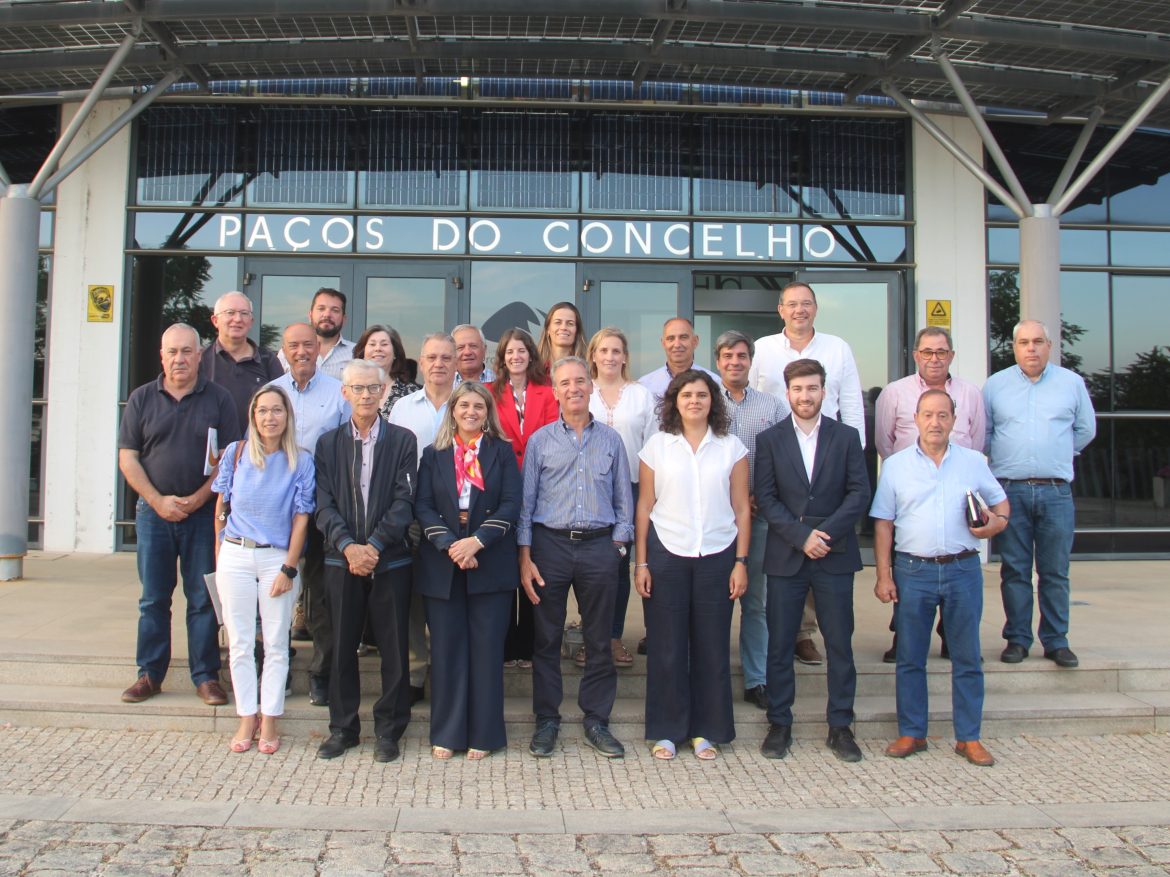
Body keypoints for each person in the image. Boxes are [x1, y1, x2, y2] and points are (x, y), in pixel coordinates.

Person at [871, 389, 1010, 767]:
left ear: (954, 420)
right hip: (913, 570)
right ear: (916, 419)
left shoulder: (973, 462)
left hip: (962, 569)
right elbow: (883, 523)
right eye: (928, 415)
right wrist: (883, 575)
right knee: (910, 656)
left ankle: (969, 737)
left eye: (943, 415)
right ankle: (912, 731)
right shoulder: (896, 466)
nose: (935, 422)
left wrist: (996, 524)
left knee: (967, 657)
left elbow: (1001, 503)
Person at [754, 359, 870, 762]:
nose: (805, 396)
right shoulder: (770, 440)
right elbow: (766, 497)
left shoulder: (846, 437)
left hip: (834, 556)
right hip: (786, 555)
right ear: (787, 392)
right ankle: (779, 723)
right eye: (798, 389)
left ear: (824, 391)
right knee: (780, 644)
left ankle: (841, 726)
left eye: (813, 388)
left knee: (839, 644)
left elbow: (859, 493)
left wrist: (825, 535)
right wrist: (801, 537)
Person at [518, 356, 634, 759]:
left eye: (580, 381)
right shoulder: (540, 441)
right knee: (546, 638)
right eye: (565, 383)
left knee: (599, 639)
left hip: (599, 548)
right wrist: (525, 556)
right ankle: (547, 719)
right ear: (555, 391)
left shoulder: (611, 441)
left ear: (591, 386)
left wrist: (617, 548)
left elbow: (624, 502)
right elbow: (526, 505)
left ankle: (597, 720)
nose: (574, 388)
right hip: (549, 547)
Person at [118, 323, 239, 706]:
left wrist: (200, 499)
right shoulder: (141, 399)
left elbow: (229, 460)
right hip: (153, 515)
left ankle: (206, 677)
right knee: (153, 598)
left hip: (202, 516)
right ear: (162, 355)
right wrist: (158, 501)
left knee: (202, 598)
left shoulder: (219, 399)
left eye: (187, 351)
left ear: (199, 355)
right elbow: (128, 458)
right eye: (172, 352)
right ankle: (149, 674)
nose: (180, 359)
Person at [635, 369, 750, 761]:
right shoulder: (657, 446)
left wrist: (741, 562)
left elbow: (742, 508)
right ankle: (666, 731)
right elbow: (644, 506)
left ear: (712, 400)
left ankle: (707, 731)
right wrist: (641, 562)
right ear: (675, 401)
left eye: (702, 395)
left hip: (718, 554)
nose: (694, 401)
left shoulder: (731, 447)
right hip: (667, 552)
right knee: (666, 648)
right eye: (687, 395)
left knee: (711, 647)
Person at [314, 359, 418, 763]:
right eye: (357, 388)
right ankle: (343, 728)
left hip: (390, 559)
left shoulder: (403, 440)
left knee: (393, 648)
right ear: (345, 393)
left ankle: (389, 730)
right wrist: (348, 547)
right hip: (342, 561)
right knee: (342, 646)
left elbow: (404, 502)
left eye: (373, 388)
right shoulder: (328, 444)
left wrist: (373, 546)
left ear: (383, 391)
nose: (365, 395)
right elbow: (323, 504)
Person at [415, 382, 522, 759]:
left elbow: (511, 504)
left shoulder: (502, 452)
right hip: (443, 560)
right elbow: (423, 505)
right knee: (446, 651)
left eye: (478, 406)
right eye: (464, 405)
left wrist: (476, 542)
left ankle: (485, 735)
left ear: (487, 412)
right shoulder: (433, 454)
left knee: (486, 652)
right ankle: (448, 733)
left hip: (489, 558)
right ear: (453, 411)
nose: (471, 412)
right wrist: (452, 545)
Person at [984, 319, 1096, 669]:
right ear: (1014, 347)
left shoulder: (1071, 383)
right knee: (1014, 570)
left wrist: (1057, 453)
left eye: (1037, 342)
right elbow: (985, 434)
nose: (1031, 348)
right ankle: (1017, 639)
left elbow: (1086, 429)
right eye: (1023, 342)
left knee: (1055, 571)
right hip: (1010, 492)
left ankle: (1056, 641)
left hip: (1055, 492)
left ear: (1049, 345)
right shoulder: (995, 385)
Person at [212, 385, 314, 755]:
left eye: (277, 410)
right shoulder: (236, 453)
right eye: (263, 410)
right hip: (236, 554)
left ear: (288, 416)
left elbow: (302, 518)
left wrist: (290, 567)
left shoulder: (301, 460)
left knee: (276, 643)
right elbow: (221, 507)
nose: (270, 417)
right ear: (253, 416)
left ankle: (270, 718)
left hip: (277, 558)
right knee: (239, 643)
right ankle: (246, 716)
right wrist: (220, 556)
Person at [874, 326, 987, 663]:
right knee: (910, 566)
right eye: (927, 352)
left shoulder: (970, 394)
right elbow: (884, 443)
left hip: (956, 493)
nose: (934, 359)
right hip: (910, 493)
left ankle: (953, 637)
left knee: (955, 564)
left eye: (941, 352)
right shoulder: (894, 393)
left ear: (951, 355)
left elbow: (978, 441)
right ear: (915, 355)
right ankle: (904, 637)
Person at [267, 323, 350, 705]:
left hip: (322, 508)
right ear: (284, 351)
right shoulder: (271, 393)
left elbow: (348, 450)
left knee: (321, 595)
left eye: (307, 345)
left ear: (319, 348)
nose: (301, 351)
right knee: (274, 591)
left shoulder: (338, 393)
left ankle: (321, 673)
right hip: (276, 510)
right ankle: (277, 666)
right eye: (293, 345)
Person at [711, 330, 785, 710]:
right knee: (712, 603)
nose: (735, 362)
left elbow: (785, 458)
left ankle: (756, 679)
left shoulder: (773, 407)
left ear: (750, 361)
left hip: (757, 518)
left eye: (741, 356)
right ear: (718, 361)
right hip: (712, 519)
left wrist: (761, 497)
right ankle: (712, 678)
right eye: (727, 356)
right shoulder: (704, 402)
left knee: (755, 601)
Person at [388, 333, 459, 703]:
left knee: (451, 598)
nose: (438, 364)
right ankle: (416, 674)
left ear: (456, 362)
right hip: (412, 514)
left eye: (446, 357)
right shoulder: (403, 407)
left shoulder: (470, 401)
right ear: (421, 360)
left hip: (460, 517)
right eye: (431, 357)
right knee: (413, 598)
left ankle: (450, 673)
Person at [587, 327, 658, 669]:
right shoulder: (583, 391)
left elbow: (654, 448)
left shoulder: (641, 396)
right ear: (594, 356)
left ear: (625, 357)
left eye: (616, 351)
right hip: (589, 491)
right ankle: (591, 637)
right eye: (604, 350)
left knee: (617, 565)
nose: (610, 357)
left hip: (630, 490)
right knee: (591, 568)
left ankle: (613, 637)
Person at [490, 327, 558, 669]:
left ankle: (529, 645)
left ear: (531, 355)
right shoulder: (490, 392)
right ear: (502, 358)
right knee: (505, 565)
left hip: (541, 487)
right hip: (501, 487)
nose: (515, 357)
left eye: (521, 351)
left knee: (534, 562)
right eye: (509, 352)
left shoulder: (548, 392)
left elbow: (550, 436)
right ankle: (506, 645)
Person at [749, 281, 865, 444]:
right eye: (792, 304)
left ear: (816, 309)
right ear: (781, 310)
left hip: (828, 445)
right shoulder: (761, 349)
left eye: (806, 304)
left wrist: (857, 447)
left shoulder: (838, 348)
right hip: (775, 447)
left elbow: (852, 405)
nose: (799, 310)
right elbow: (749, 400)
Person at [198, 291, 284, 430]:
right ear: (215, 321)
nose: (238, 319)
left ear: (251, 322)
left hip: (257, 442)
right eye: (230, 312)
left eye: (244, 313)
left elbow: (282, 406)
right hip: (214, 442)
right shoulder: (200, 360)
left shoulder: (268, 360)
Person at [278, 287, 354, 380]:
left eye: (335, 310)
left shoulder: (356, 353)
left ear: (344, 319)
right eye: (321, 309)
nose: (327, 315)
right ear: (310, 315)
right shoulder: (287, 353)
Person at [637, 317, 720, 399]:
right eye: (671, 338)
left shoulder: (715, 382)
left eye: (683, 337)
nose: (677, 345)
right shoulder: (645, 385)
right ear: (663, 343)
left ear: (695, 341)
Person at [354, 324, 421, 419]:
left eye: (384, 344)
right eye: (372, 344)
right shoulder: (350, 389)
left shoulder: (412, 393)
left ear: (395, 353)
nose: (378, 348)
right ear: (362, 353)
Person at [536, 301, 587, 367]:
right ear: (548, 329)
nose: (563, 327)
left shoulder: (587, 367)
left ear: (577, 330)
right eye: (558, 322)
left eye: (570, 323)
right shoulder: (533, 367)